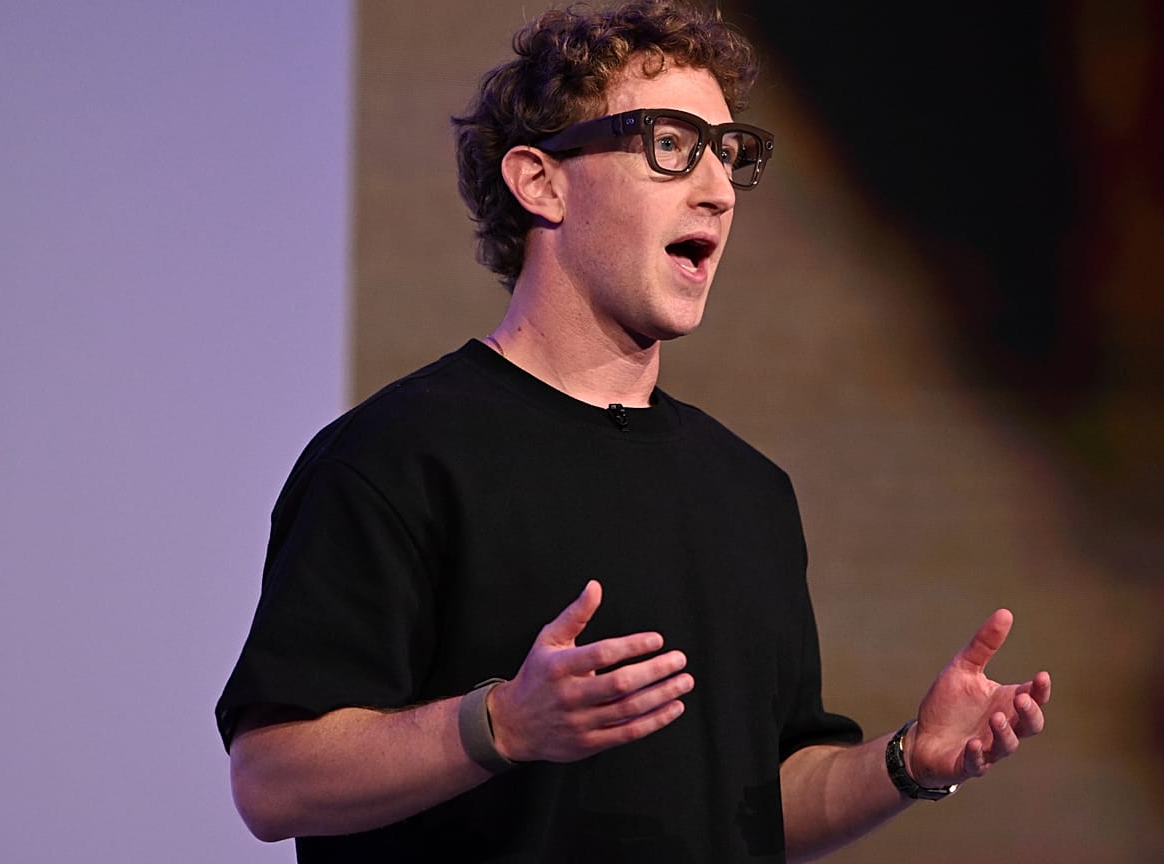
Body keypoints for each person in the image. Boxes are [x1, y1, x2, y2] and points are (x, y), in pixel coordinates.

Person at [215, 1, 1051, 861]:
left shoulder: (748, 492)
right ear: (542, 182)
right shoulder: (396, 458)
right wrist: (501, 723)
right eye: (671, 146)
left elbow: (762, 804)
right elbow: (272, 780)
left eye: (729, 154)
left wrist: (912, 761)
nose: (719, 190)